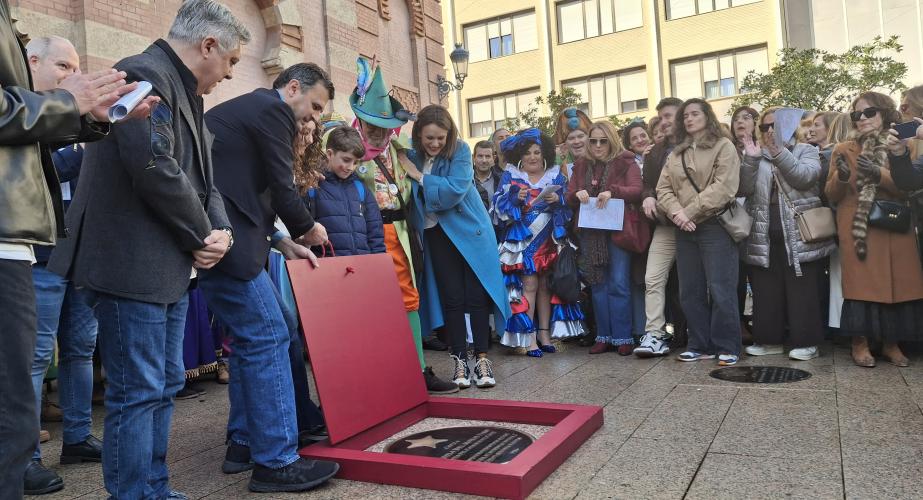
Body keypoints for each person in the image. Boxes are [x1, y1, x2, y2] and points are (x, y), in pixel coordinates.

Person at [46, 1, 245, 497]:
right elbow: (154, 165)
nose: (229, 72)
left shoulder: (186, 88)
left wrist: (221, 231)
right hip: (129, 266)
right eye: (231, 61)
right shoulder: (144, 72)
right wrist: (202, 235)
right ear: (208, 45)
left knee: (163, 385)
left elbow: (205, 178)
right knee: (138, 392)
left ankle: (154, 487)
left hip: (165, 267)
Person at [197, 62, 341, 492]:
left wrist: (282, 241)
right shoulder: (272, 109)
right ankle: (276, 460)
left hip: (237, 240)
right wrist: (307, 227)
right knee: (269, 335)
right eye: (316, 106)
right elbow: (280, 186)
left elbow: (243, 190)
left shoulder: (256, 112)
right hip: (229, 246)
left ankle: (244, 443)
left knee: (266, 333)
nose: (315, 117)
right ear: (292, 88)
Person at [17, 35, 107, 496]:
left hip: (79, 255)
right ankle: (24, 457)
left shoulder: (71, 112)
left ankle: (77, 438)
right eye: (63, 66)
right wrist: (79, 149)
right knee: (34, 357)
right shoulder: (23, 110)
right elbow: (43, 168)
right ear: (32, 61)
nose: (73, 76)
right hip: (41, 257)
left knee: (79, 350)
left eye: (76, 68)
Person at [348, 58, 457, 393]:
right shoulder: (346, 153)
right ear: (360, 123)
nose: (378, 133)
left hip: (400, 235)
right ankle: (376, 373)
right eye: (372, 126)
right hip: (364, 237)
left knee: (408, 298)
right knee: (368, 305)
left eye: (385, 127)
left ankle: (417, 369)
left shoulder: (400, 152)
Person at [398, 105, 510, 388]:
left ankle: (482, 358)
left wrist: (419, 176)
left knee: (476, 295)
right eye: (429, 138)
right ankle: (460, 359)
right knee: (452, 297)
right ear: (418, 135)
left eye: (441, 138)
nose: (435, 143)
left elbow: (455, 190)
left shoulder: (460, 150)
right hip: (435, 234)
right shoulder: (411, 154)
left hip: (471, 231)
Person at [826, 92, 923, 368]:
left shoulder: (904, 144)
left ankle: (891, 344)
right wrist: (842, 177)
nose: (862, 118)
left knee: (896, 285)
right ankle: (860, 343)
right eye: (857, 114)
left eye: (869, 112)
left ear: (884, 113)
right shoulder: (843, 148)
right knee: (861, 287)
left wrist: (878, 173)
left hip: (894, 224)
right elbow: (831, 194)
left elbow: (908, 187)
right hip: (859, 225)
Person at [739, 107, 835, 361]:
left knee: (802, 289)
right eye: (764, 126)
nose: (769, 131)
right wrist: (750, 160)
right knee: (766, 288)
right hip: (763, 230)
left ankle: (807, 342)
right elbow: (743, 189)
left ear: (789, 127)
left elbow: (805, 178)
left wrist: (779, 153)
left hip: (799, 230)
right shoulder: (756, 155)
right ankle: (769, 340)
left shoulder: (806, 150)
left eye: (775, 125)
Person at [656, 98, 741, 365]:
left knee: (721, 288)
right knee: (689, 290)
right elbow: (662, 189)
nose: (689, 119)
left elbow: (724, 187)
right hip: (684, 227)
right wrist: (677, 214)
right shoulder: (676, 153)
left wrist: (689, 212)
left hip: (715, 224)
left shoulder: (724, 146)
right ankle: (699, 344)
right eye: (685, 116)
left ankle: (727, 346)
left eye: (695, 114)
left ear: (707, 116)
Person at [493, 128, 583, 356]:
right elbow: (497, 207)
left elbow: (568, 206)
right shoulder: (511, 175)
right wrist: (514, 198)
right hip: (522, 239)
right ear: (519, 155)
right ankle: (529, 337)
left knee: (545, 286)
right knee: (529, 285)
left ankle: (544, 334)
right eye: (527, 153)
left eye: (537, 152)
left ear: (545, 154)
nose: (532, 157)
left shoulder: (555, 175)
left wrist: (558, 199)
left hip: (549, 238)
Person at [567, 122, 642, 355]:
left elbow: (637, 190)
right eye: (593, 141)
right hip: (591, 233)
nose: (598, 145)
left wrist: (613, 192)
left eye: (603, 141)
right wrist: (576, 194)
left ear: (612, 141)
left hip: (619, 231)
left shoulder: (626, 161)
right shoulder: (581, 165)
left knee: (619, 283)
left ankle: (623, 337)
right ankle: (604, 336)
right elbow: (569, 196)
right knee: (598, 284)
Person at [634, 97, 685, 357]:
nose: (663, 122)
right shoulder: (655, 152)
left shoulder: (700, 144)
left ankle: (700, 336)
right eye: (661, 117)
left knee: (694, 284)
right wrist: (647, 197)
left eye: (668, 116)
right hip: (666, 225)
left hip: (697, 223)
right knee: (653, 278)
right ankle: (654, 334)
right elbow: (647, 184)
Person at [308, 126, 385, 256]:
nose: (351, 167)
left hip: (362, 264)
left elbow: (375, 235)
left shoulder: (361, 189)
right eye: (346, 160)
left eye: (356, 162)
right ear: (329, 154)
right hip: (325, 265)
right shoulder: (312, 187)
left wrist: (379, 261)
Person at [553, 107, 592, 177]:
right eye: (571, 138)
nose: (576, 141)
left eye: (580, 136)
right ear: (564, 143)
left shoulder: (599, 157)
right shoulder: (557, 163)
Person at [473, 139, 503, 211]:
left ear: (494, 158)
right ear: (474, 157)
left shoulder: (502, 180)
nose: (484, 160)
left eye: (487, 156)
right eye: (480, 156)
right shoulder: (465, 179)